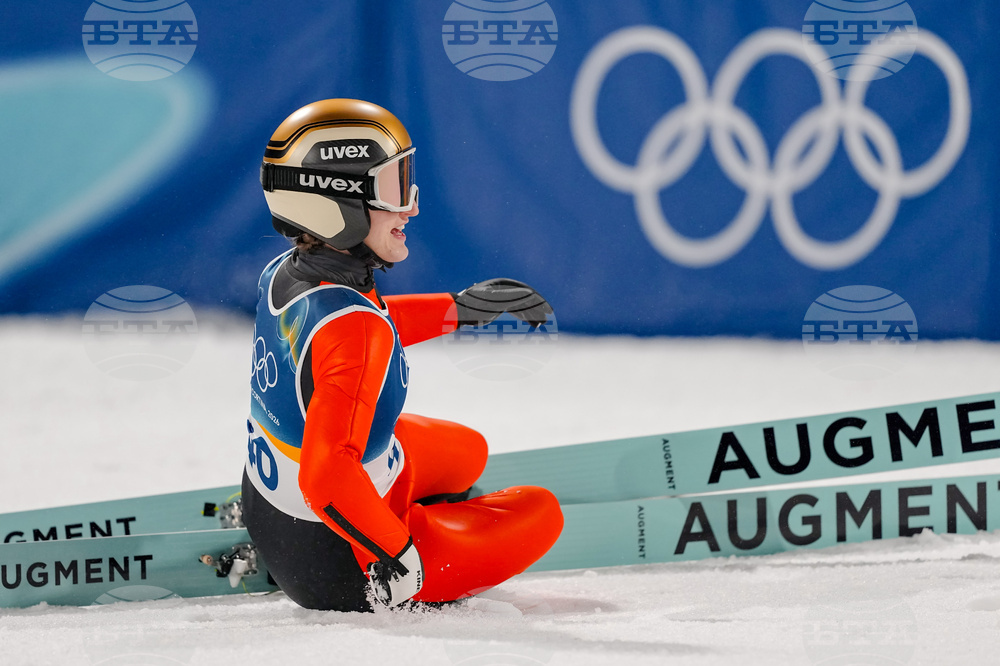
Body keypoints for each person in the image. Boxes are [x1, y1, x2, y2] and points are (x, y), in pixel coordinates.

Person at [242, 98, 564, 612]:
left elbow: (359, 327)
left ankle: (415, 507)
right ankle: (417, 528)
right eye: (393, 189)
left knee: (470, 451)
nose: (410, 206)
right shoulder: (354, 329)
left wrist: (458, 311)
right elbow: (325, 476)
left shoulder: (289, 271)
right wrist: (397, 554)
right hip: (346, 560)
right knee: (543, 512)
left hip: (276, 507)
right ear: (337, 202)